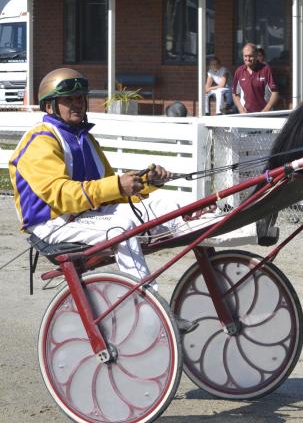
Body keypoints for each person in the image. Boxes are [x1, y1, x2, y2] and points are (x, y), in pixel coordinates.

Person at [8, 69, 197, 331]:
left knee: (168, 204)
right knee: (120, 226)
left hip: (87, 217)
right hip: (51, 225)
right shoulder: (41, 141)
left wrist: (147, 183)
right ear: (50, 106)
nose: (77, 104)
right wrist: (117, 185)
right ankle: (149, 307)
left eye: (80, 98)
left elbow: (111, 190)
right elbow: (62, 196)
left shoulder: (85, 139)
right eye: (69, 99)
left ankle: (238, 229)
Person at [233, 42, 279, 113]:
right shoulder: (239, 71)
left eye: (250, 56)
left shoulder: (266, 69)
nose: (247, 59)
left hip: (265, 115)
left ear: (256, 55)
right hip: (246, 115)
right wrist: (240, 108)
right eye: (245, 56)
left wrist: (266, 110)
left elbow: (275, 93)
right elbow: (235, 94)